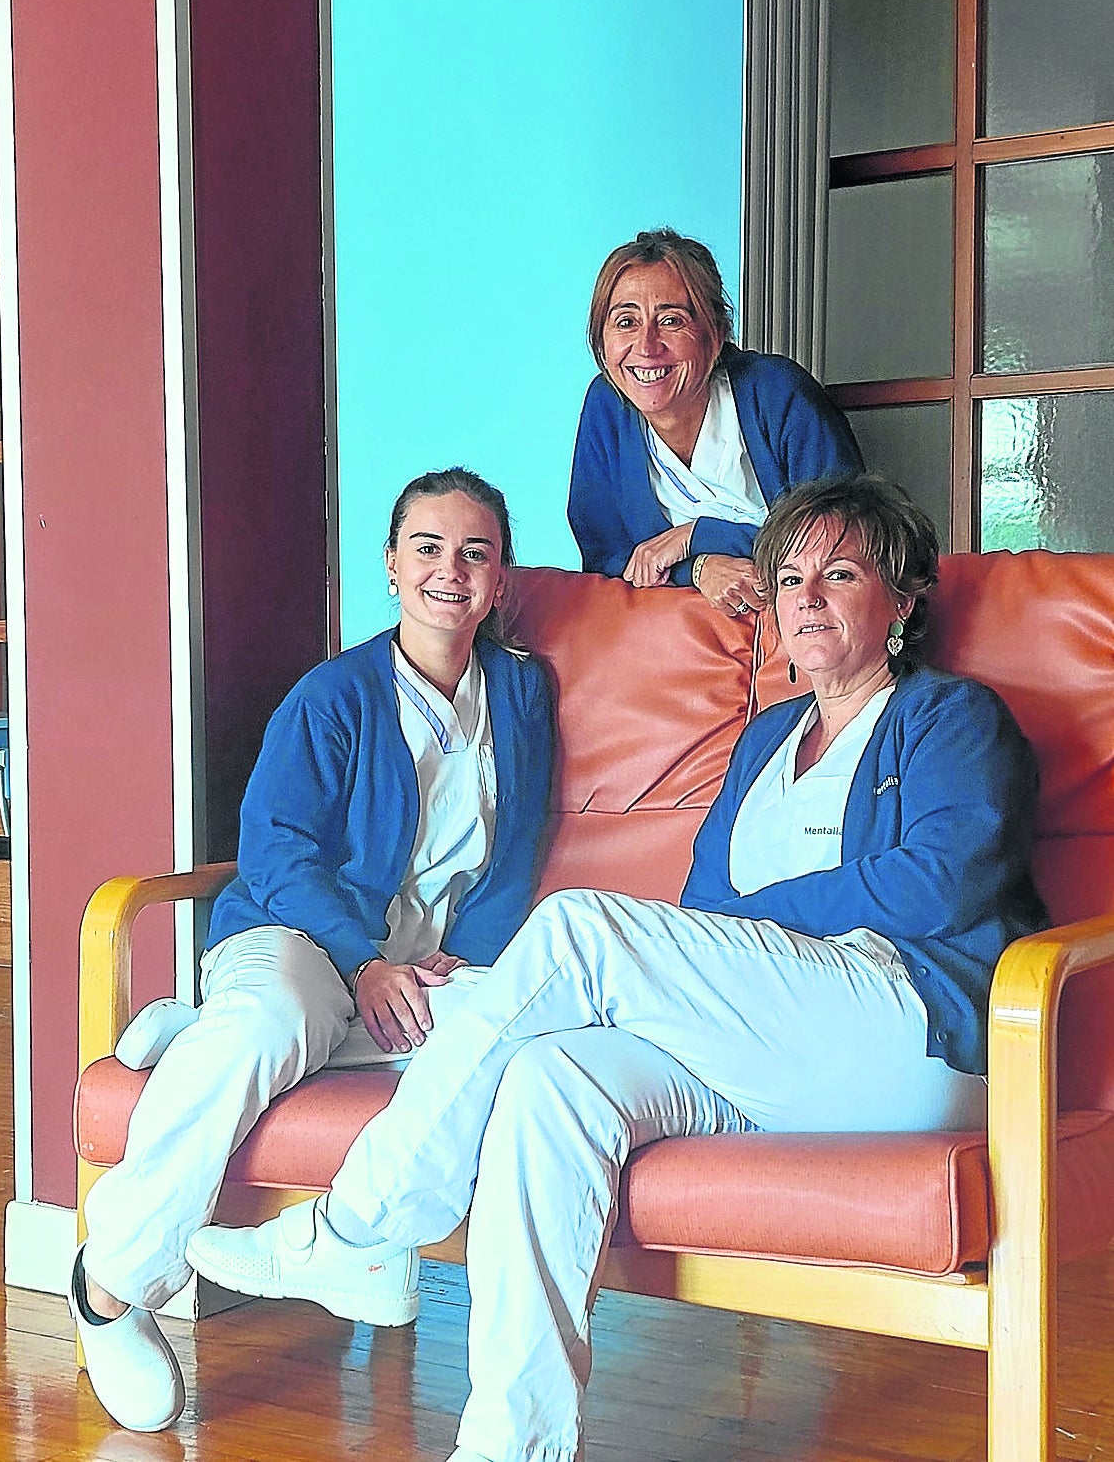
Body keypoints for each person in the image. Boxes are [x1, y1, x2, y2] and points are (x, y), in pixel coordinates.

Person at [188, 474, 1049, 1462]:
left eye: (840, 574)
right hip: (764, 1041)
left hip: (904, 1034)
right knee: (549, 1081)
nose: (805, 597)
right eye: (790, 577)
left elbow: (934, 884)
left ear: (898, 602)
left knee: (578, 930)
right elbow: (705, 904)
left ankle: (361, 1220)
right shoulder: (768, 736)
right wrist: (738, 944)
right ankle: (517, 1442)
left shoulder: (948, 720)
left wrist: (756, 931)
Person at [70, 467, 555, 1434]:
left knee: (511, 1035)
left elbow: (517, 852)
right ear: (388, 566)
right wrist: (362, 958)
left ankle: (194, 1037)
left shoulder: (523, 694)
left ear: (501, 579)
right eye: (427, 547)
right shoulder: (333, 696)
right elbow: (277, 851)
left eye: (475, 552)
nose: (449, 570)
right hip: (298, 933)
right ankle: (112, 1281)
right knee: (277, 1016)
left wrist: (462, 958)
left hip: (425, 959)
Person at [568, 227, 864, 615]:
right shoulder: (607, 405)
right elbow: (606, 561)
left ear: (717, 332)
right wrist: (700, 568)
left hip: (806, 629)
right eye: (625, 322)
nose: (646, 346)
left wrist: (697, 536)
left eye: (671, 320)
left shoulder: (777, 392)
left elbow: (846, 538)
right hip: (685, 648)